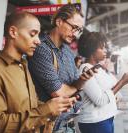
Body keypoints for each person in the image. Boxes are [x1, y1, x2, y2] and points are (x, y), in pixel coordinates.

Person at [0, 11, 77, 133]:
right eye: (32, 34)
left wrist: (56, 106)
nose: (38, 41)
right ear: (13, 32)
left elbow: (28, 106)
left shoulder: (23, 65)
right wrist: (46, 110)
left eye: (38, 35)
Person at [28, 4, 93, 132]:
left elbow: (75, 85)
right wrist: (78, 84)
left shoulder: (68, 52)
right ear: (59, 21)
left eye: (79, 30)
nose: (76, 34)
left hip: (68, 124)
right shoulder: (41, 49)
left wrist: (79, 82)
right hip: (49, 127)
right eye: (74, 27)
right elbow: (58, 92)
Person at [75, 31, 128, 133]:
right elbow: (100, 100)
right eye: (102, 48)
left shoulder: (99, 69)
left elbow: (112, 91)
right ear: (92, 50)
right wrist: (122, 82)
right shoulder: (86, 69)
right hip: (94, 123)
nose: (105, 51)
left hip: (106, 118)